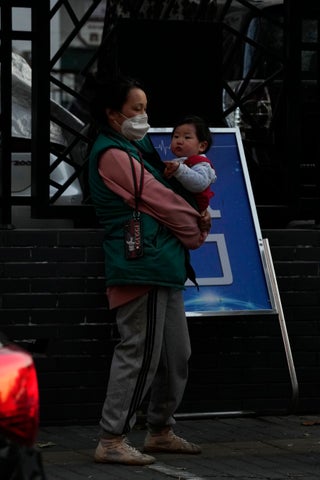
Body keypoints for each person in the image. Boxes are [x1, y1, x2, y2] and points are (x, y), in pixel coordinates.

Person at [86, 75, 211, 465]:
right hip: (143, 264)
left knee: (176, 354)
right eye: (135, 109)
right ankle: (112, 439)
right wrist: (195, 227)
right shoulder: (114, 154)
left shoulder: (133, 146)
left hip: (162, 263)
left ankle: (160, 430)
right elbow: (160, 200)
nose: (144, 116)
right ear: (111, 113)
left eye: (145, 108)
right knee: (139, 353)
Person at [163, 115, 217, 213]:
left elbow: (200, 184)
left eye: (187, 137)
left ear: (202, 146)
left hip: (192, 213)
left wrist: (179, 170)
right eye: (176, 136)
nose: (179, 141)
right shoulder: (177, 162)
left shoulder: (201, 163)